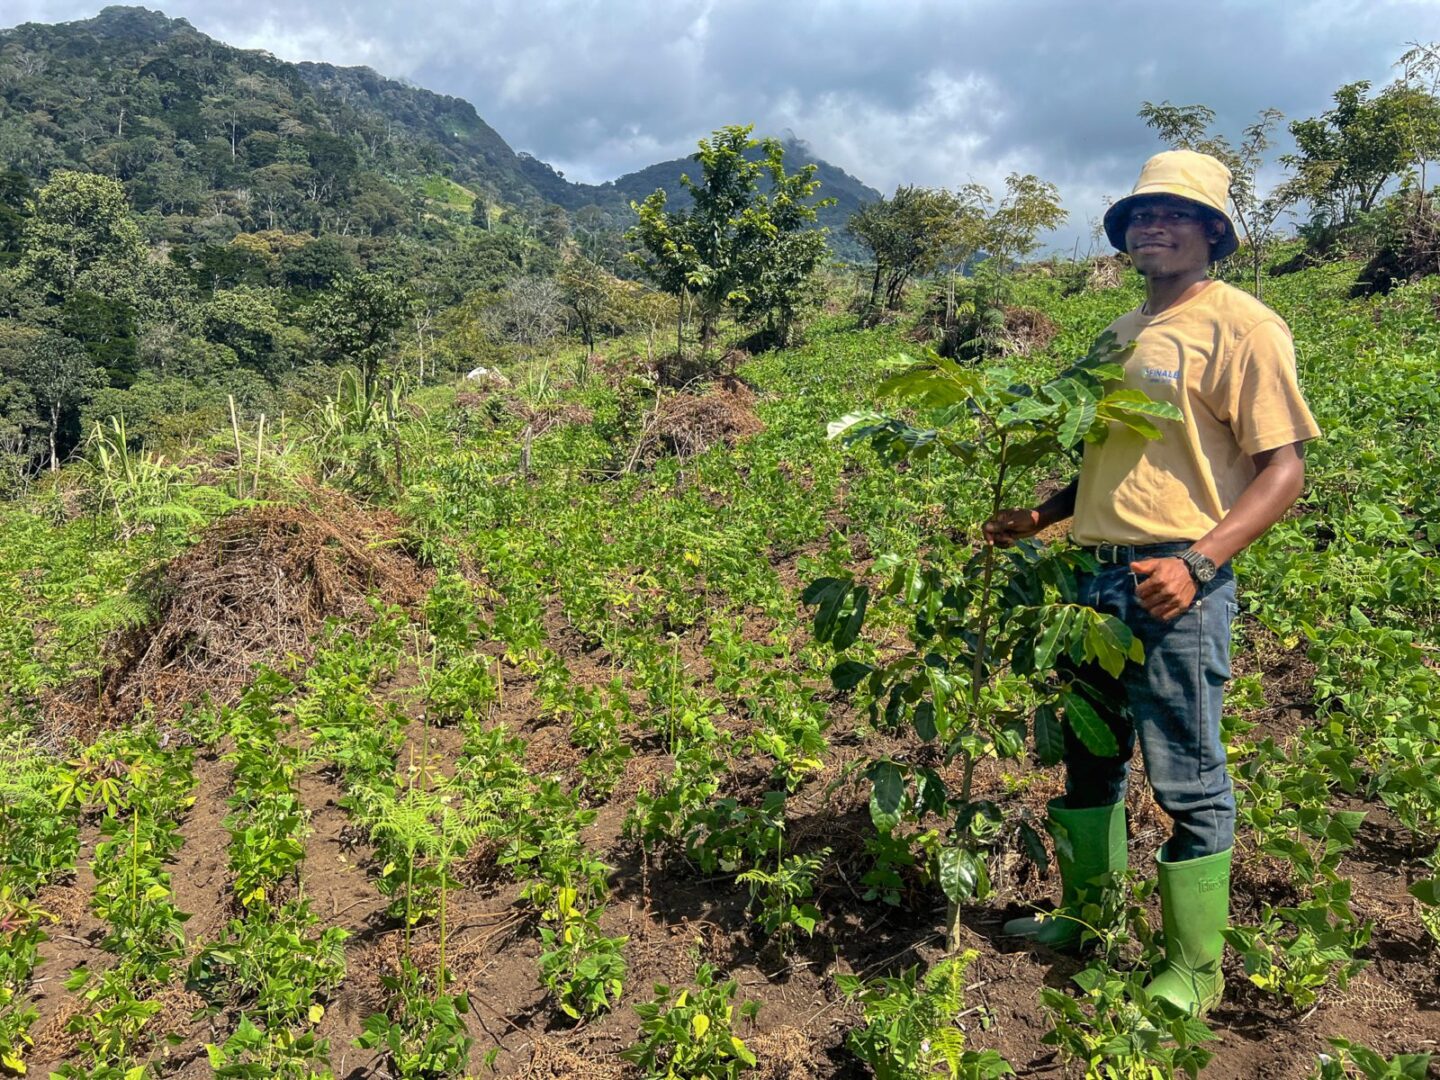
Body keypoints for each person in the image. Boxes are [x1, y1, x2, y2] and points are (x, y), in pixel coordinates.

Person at [983, 149, 1320, 1015]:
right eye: (1140, 215)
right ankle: (1086, 920)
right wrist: (1043, 517)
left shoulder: (1245, 326)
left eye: (1173, 213)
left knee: (1188, 774)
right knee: (1090, 759)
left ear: (1214, 230)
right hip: (1091, 578)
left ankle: (1193, 970)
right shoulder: (1117, 335)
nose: (1152, 227)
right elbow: (1105, 457)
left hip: (1179, 577)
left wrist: (1200, 562)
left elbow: (1283, 472)